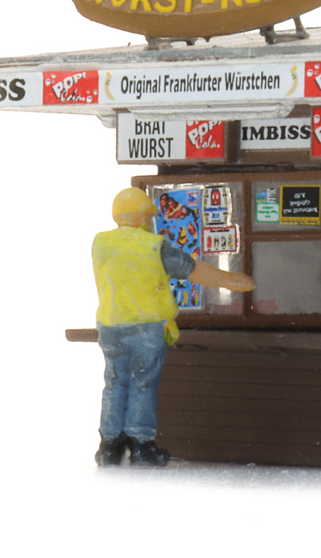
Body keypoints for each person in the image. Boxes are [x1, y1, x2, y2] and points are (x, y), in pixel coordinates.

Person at [92, 187, 255, 467]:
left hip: (110, 324)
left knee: (115, 383)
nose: (149, 221)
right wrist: (228, 280)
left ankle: (109, 445)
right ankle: (142, 444)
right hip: (146, 326)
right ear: (141, 216)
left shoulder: (100, 243)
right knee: (143, 383)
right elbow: (192, 269)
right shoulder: (152, 245)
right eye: (148, 216)